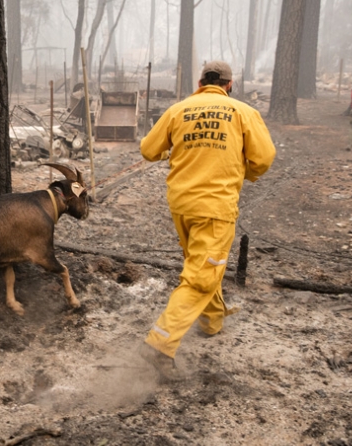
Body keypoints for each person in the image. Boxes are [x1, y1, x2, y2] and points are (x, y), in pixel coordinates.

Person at [137, 61, 276, 381]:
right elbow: (264, 158)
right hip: (215, 207)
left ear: (200, 82)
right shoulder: (242, 112)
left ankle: (211, 322)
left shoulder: (178, 110)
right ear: (229, 84)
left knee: (200, 263)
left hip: (182, 204)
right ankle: (159, 344)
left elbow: (148, 150)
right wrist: (248, 173)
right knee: (202, 274)